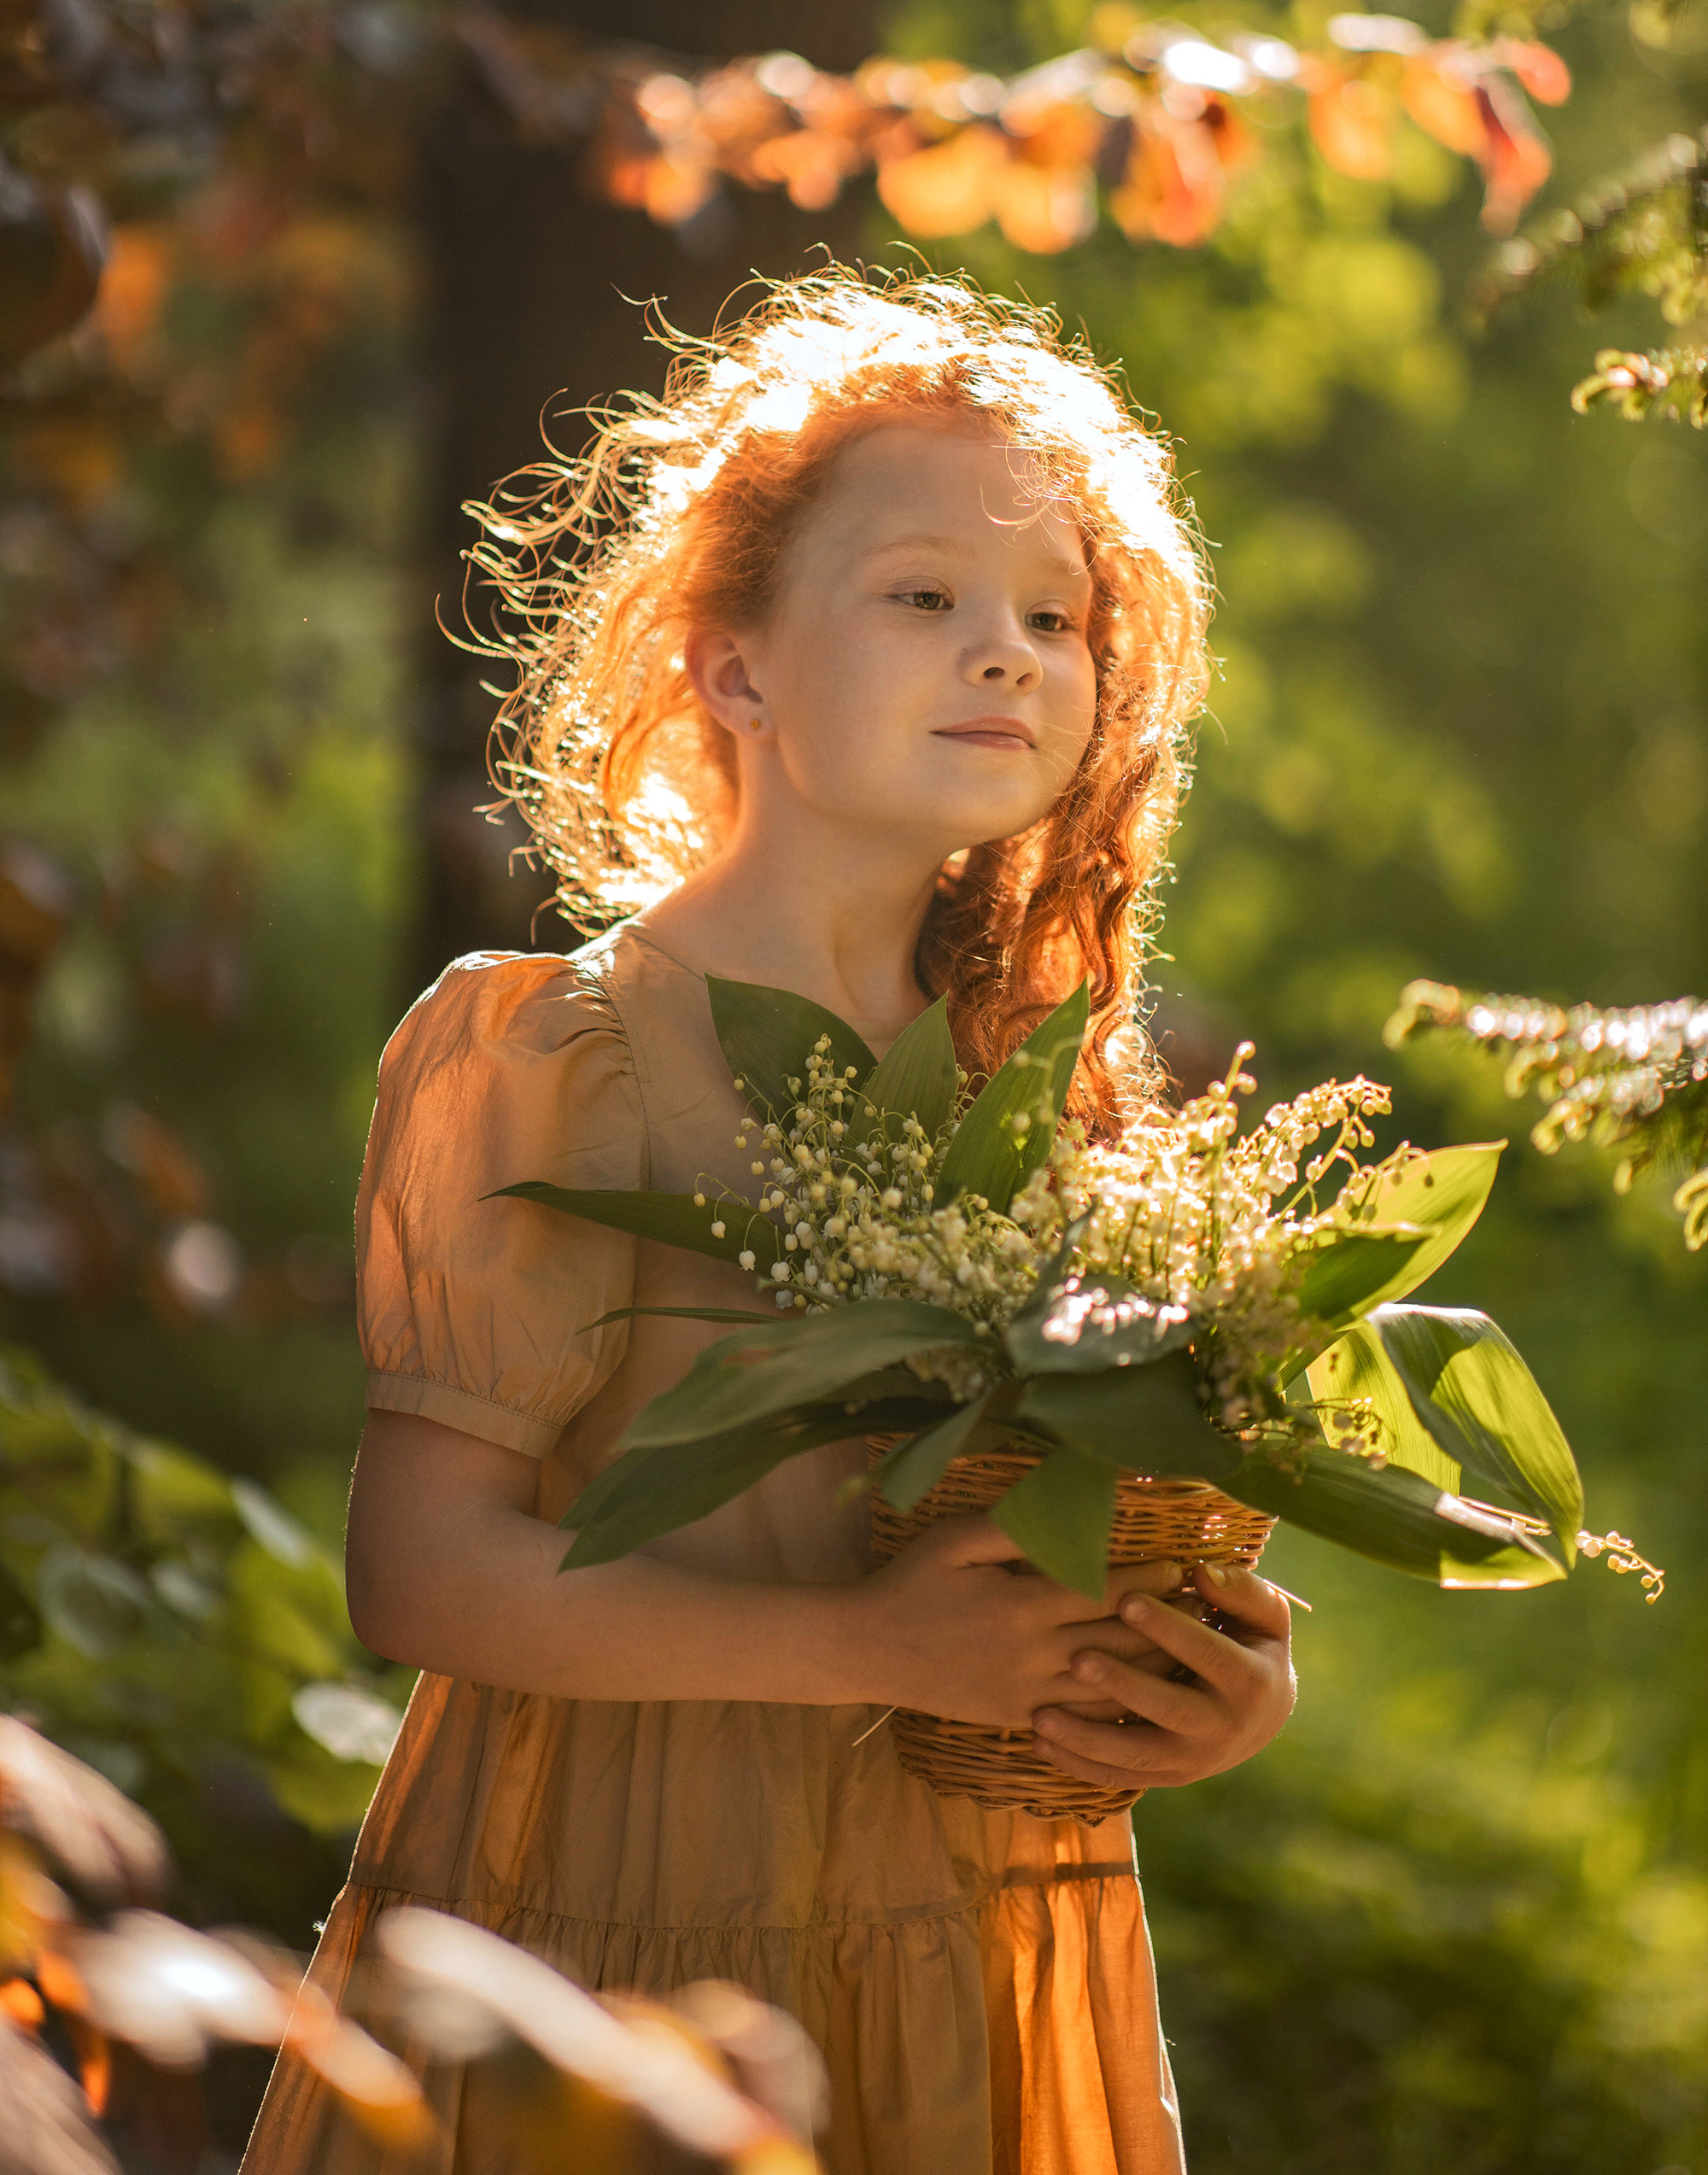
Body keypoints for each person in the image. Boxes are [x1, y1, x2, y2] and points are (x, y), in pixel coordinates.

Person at [242, 268, 1296, 2175]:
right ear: (734, 672)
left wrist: (1211, 1681)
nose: (1006, 655)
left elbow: (1059, 1553)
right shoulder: (555, 1055)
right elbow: (423, 1575)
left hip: (970, 1931)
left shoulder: (1040, 1097)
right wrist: (882, 1650)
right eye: (924, 598)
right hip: (620, 1929)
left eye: (1052, 616)